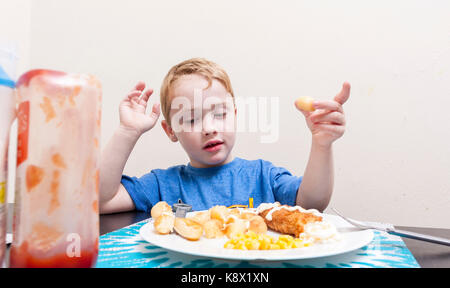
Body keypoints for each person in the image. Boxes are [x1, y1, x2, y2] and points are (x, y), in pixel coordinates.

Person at [99, 58, 350, 214]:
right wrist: (127, 131)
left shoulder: (263, 176)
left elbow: (312, 204)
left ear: (235, 114)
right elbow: (99, 201)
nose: (209, 127)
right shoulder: (162, 185)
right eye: (191, 119)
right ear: (170, 130)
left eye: (219, 114)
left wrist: (322, 144)